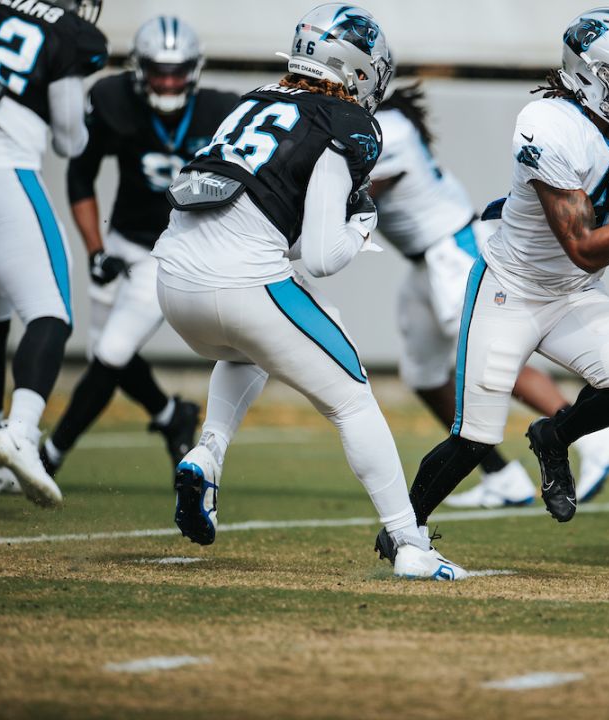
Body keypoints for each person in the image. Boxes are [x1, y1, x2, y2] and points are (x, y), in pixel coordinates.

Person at [374, 6, 609, 562]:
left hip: (575, 295)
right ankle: (402, 532)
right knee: (474, 436)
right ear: (588, 77)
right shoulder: (549, 124)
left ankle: (554, 436)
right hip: (512, 287)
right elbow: (580, 249)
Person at [151, 4, 462, 580]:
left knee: (251, 348)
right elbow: (322, 258)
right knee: (352, 398)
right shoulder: (343, 124)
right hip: (242, 284)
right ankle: (409, 544)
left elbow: (269, 222)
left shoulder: (254, 101)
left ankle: (207, 455)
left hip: (171, 282)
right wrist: (361, 224)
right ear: (354, 67)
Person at [367, 81, 609, 509]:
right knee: (424, 375)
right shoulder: (373, 123)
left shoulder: (387, 126)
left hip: (452, 249)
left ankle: (596, 437)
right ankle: (503, 476)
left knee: (494, 357)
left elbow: (359, 190)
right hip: (422, 263)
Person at [41, 16, 240, 481]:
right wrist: (94, 250)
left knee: (111, 353)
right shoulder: (114, 101)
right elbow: (79, 177)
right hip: (120, 241)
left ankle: (48, 454)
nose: (167, 81)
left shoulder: (221, 112)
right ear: (139, 69)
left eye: (177, 71)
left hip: (174, 252)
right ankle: (171, 415)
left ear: (194, 70)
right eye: (158, 70)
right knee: (107, 356)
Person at [0, 0, 107, 507]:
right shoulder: (65, 30)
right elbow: (67, 140)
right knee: (52, 312)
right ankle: (21, 431)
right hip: (1, 172)